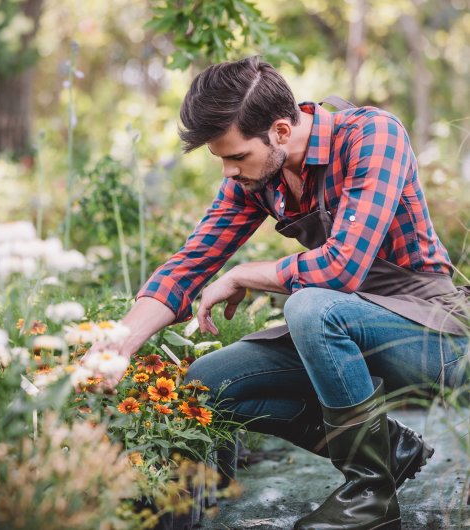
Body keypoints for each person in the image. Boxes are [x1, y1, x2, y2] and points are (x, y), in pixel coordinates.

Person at [112, 57, 470, 530]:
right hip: (349, 321)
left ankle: (371, 497)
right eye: (222, 159)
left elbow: (341, 267)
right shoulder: (261, 178)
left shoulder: (372, 136)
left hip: (436, 334)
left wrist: (247, 274)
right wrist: (117, 345)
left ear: (281, 131)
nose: (228, 172)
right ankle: (389, 451)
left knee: (311, 305)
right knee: (209, 381)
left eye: (237, 157)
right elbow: (189, 264)